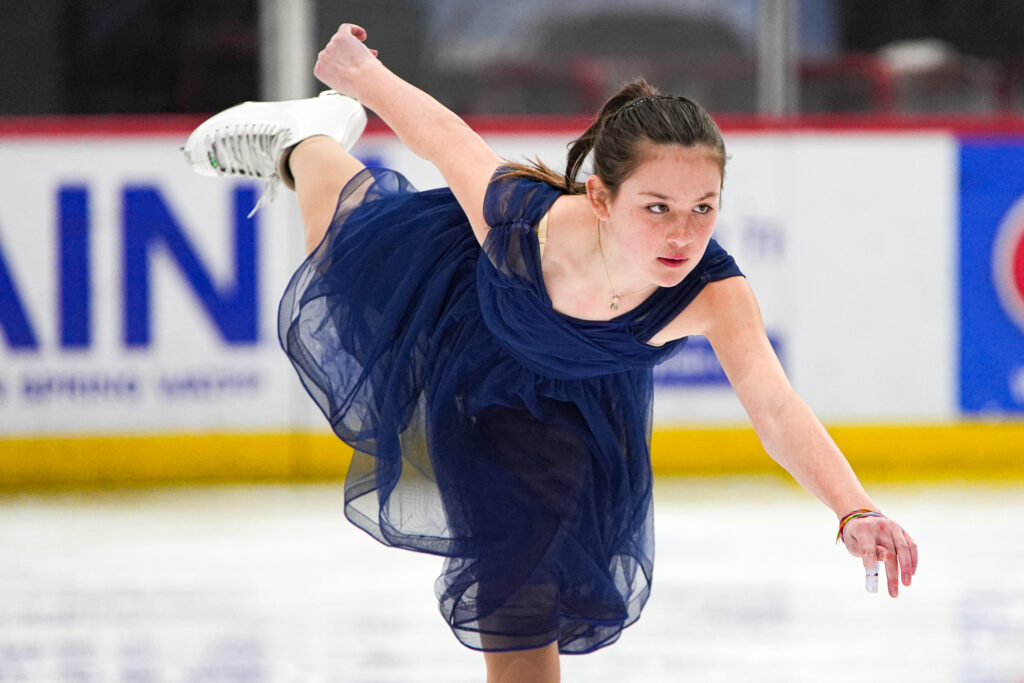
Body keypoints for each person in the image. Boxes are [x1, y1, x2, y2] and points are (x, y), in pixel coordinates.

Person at [183, 22, 918, 683]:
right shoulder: (525, 222)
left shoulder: (714, 292)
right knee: (341, 251)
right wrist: (360, 76)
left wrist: (853, 509)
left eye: (703, 209)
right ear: (600, 198)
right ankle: (307, 137)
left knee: (526, 608)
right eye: (656, 207)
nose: (681, 236)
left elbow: (776, 406)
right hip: (460, 325)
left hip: (568, 415)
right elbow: (442, 135)